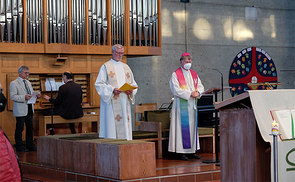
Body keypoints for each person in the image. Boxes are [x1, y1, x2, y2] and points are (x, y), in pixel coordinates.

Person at [95, 44, 138, 140]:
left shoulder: (126, 67)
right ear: (112, 52)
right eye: (118, 53)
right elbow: (99, 84)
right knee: (112, 129)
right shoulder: (106, 67)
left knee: (125, 128)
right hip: (112, 102)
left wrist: (131, 90)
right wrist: (112, 90)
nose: (120, 55)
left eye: (122, 53)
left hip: (124, 100)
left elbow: (133, 84)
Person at [168, 52, 205, 160]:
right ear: (181, 61)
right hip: (181, 106)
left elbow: (200, 86)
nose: (188, 62)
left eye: (190, 60)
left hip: (192, 105)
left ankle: (191, 151)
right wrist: (190, 94)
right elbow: (176, 89)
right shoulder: (175, 74)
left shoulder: (194, 74)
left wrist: (198, 92)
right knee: (181, 128)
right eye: (186, 60)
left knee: (192, 128)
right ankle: (181, 152)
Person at [10, 66, 40, 152]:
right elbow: (13, 96)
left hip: (29, 107)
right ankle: (19, 146)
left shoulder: (28, 82)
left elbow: (30, 94)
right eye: (25, 73)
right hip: (20, 109)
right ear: (19, 73)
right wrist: (24, 97)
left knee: (30, 127)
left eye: (28, 73)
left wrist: (36, 96)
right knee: (20, 128)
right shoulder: (14, 83)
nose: (27, 74)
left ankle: (30, 145)